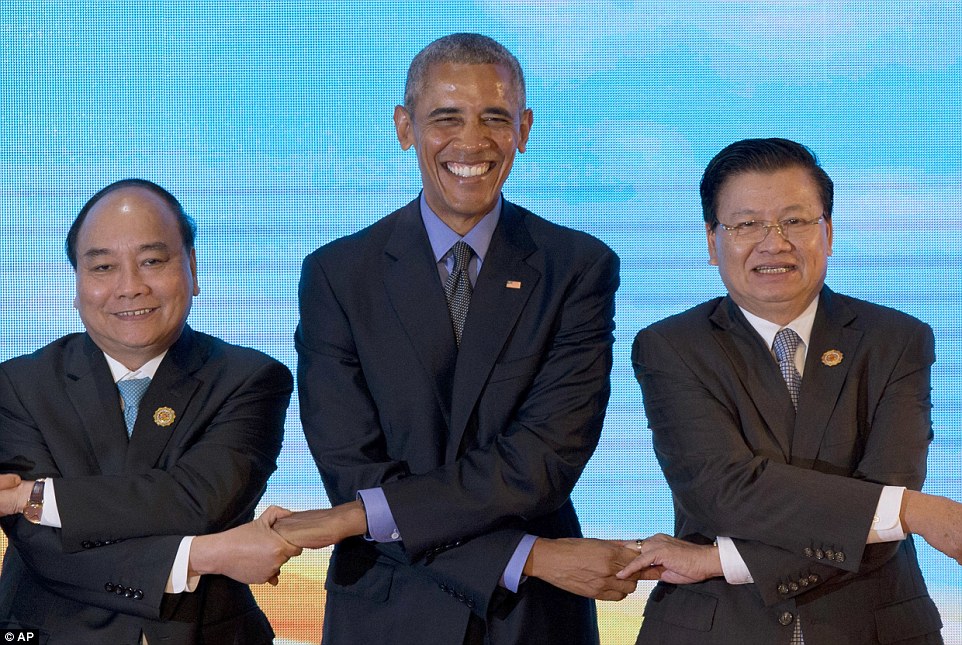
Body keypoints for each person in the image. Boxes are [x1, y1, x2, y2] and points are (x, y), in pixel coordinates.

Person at [275, 33, 636, 644]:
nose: (472, 142)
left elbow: (545, 458)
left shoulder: (579, 267)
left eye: (495, 118)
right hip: (388, 608)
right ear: (405, 126)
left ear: (523, 128)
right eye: (446, 118)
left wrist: (363, 516)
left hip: (533, 622)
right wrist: (527, 557)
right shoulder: (339, 274)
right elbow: (353, 474)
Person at [621, 138, 962, 643]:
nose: (773, 241)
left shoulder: (897, 340)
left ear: (828, 232)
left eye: (795, 221)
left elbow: (887, 496)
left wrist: (719, 561)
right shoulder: (670, 346)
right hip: (718, 628)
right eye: (746, 224)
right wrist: (912, 511)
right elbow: (725, 493)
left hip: (874, 625)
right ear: (712, 243)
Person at [0, 179, 301, 644]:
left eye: (152, 261)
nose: (130, 287)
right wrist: (204, 556)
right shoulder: (16, 386)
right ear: (76, 283)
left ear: (193, 268)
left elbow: (196, 501)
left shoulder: (251, 378)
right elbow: (43, 547)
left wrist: (34, 497)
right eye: (102, 266)